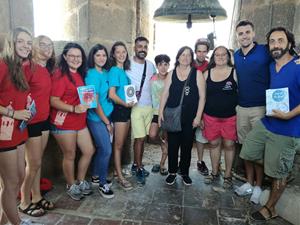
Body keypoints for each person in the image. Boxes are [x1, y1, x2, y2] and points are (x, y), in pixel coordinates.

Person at [240, 27, 300, 221]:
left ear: (289, 44)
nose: (276, 45)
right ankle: (279, 169)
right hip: (267, 123)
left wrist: (289, 114)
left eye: (280, 40)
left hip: (287, 128)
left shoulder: (298, 66)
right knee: (247, 152)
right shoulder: (271, 66)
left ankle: (270, 208)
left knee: (278, 172)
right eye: (272, 41)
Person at [0, 27, 39, 225]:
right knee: (11, 182)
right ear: (12, 42)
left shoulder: (20, 66)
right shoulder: (2, 64)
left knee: (20, 175)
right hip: (4, 132)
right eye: (21, 41)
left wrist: (27, 101)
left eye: (29, 42)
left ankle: (4, 221)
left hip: (19, 130)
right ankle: (17, 223)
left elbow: (13, 93)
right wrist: (13, 112)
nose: (26, 45)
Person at [233, 20, 272, 204]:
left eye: (247, 32)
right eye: (240, 33)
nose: (244, 36)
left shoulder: (265, 51)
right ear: (237, 37)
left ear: (253, 33)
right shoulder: (237, 55)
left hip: (260, 108)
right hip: (241, 108)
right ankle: (248, 183)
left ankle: (258, 186)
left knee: (258, 149)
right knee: (246, 148)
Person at [50, 42, 94, 201]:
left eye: (79, 56)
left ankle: (80, 180)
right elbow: (53, 100)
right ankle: (71, 184)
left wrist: (90, 100)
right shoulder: (60, 74)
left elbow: (81, 96)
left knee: (89, 150)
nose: (76, 59)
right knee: (70, 155)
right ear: (65, 57)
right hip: (64, 122)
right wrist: (74, 108)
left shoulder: (80, 74)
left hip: (79, 122)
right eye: (72, 56)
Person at [19, 35, 55, 217]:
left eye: (50, 45)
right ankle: (24, 201)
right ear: (33, 47)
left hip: (44, 120)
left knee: (37, 162)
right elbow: (17, 92)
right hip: (31, 122)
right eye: (43, 44)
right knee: (33, 163)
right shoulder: (27, 67)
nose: (47, 48)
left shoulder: (46, 69)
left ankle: (36, 197)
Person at [159, 46, 206, 186]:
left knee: (186, 146)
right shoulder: (171, 73)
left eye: (188, 55)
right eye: (183, 55)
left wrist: (198, 117)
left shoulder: (197, 73)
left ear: (191, 58)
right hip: (173, 115)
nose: (185, 57)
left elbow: (202, 97)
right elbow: (165, 93)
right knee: (173, 145)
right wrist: (161, 111)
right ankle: (172, 172)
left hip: (190, 117)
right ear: (178, 57)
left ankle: (184, 172)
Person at [202, 46, 238, 189]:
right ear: (213, 57)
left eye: (224, 54)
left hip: (230, 117)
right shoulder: (207, 74)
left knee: (229, 145)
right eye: (217, 55)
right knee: (214, 144)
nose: (221, 57)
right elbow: (202, 97)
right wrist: (200, 117)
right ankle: (215, 172)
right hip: (210, 117)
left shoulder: (234, 73)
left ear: (228, 57)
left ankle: (228, 175)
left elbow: (240, 92)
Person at [126, 37, 156, 185]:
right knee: (139, 138)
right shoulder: (127, 64)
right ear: (134, 48)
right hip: (136, 108)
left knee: (142, 138)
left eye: (145, 47)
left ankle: (136, 164)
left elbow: (156, 84)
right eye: (140, 46)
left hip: (149, 107)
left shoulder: (150, 66)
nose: (142, 49)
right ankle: (138, 168)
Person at [85, 44, 114, 198]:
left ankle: (96, 175)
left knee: (102, 149)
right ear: (92, 57)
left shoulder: (105, 72)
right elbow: (94, 104)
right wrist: (107, 123)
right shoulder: (91, 75)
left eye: (104, 55)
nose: (101, 58)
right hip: (96, 119)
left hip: (107, 117)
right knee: (106, 149)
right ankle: (103, 184)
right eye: (98, 55)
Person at [108, 41, 134, 190]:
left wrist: (131, 99)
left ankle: (117, 172)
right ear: (113, 54)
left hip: (126, 110)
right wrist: (125, 104)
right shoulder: (114, 71)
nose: (121, 54)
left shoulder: (123, 71)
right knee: (118, 146)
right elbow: (112, 94)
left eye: (124, 52)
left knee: (121, 144)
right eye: (118, 52)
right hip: (119, 110)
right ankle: (119, 176)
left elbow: (123, 93)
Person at [149, 54, 170, 176]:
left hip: (168, 113)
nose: (163, 67)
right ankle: (162, 144)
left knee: (168, 139)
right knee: (152, 135)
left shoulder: (171, 78)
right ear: (157, 66)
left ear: (168, 65)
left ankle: (162, 164)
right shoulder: (152, 79)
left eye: (165, 64)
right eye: (160, 64)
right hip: (156, 112)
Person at [193, 38, 210, 176]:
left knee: (201, 137)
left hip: (203, 105)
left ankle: (199, 161)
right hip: (188, 105)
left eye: (204, 52)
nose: (201, 54)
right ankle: (182, 162)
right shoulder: (188, 64)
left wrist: (202, 114)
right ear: (195, 52)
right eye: (199, 51)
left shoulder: (210, 66)